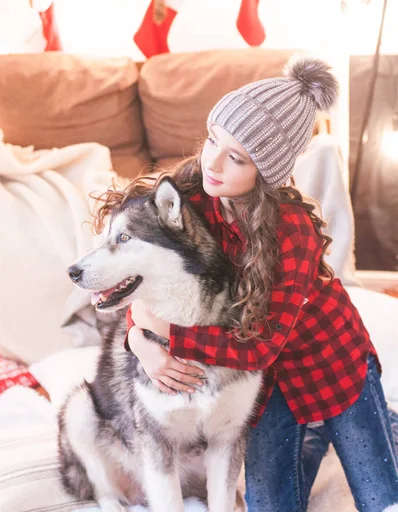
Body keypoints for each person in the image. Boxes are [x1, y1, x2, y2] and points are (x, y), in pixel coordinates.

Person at [117, 57, 398, 511]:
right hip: (265, 386)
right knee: (269, 504)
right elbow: (148, 274)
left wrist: (170, 334)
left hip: (332, 363)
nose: (212, 161)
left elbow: (259, 348)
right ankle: (315, 443)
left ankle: (374, 423)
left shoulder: (293, 231)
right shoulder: (192, 201)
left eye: (237, 157)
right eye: (212, 139)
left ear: (265, 171)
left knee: (381, 497)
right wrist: (139, 339)